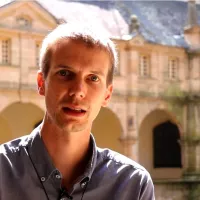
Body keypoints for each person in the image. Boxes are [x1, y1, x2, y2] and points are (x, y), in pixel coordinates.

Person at [0, 23, 155, 200]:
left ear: (107, 94)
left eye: (93, 78)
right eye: (65, 73)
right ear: (41, 83)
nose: (78, 91)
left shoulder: (133, 185)